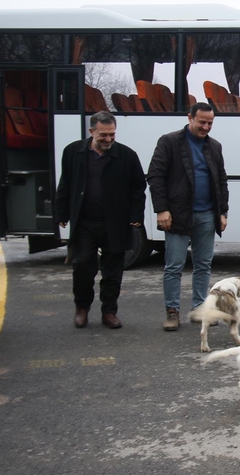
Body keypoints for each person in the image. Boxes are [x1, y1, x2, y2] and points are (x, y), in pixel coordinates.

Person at [55, 111, 146, 329]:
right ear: (91, 132)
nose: (108, 140)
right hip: (85, 223)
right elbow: (65, 184)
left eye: (112, 135)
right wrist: (61, 213)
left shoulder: (127, 155)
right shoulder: (73, 152)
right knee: (83, 267)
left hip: (115, 223)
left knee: (113, 271)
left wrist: (136, 215)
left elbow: (138, 188)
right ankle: (82, 309)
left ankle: (109, 312)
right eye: (103, 135)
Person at [147, 102, 229, 331]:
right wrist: (161, 209)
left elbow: (221, 180)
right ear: (189, 118)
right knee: (174, 266)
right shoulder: (169, 142)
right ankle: (172, 312)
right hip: (178, 215)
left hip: (207, 215)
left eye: (210, 123)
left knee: (203, 265)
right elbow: (155, 176)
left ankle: (200, 309)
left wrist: (223, 211)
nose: (206, 127)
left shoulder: (214, 146)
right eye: (202, 122)